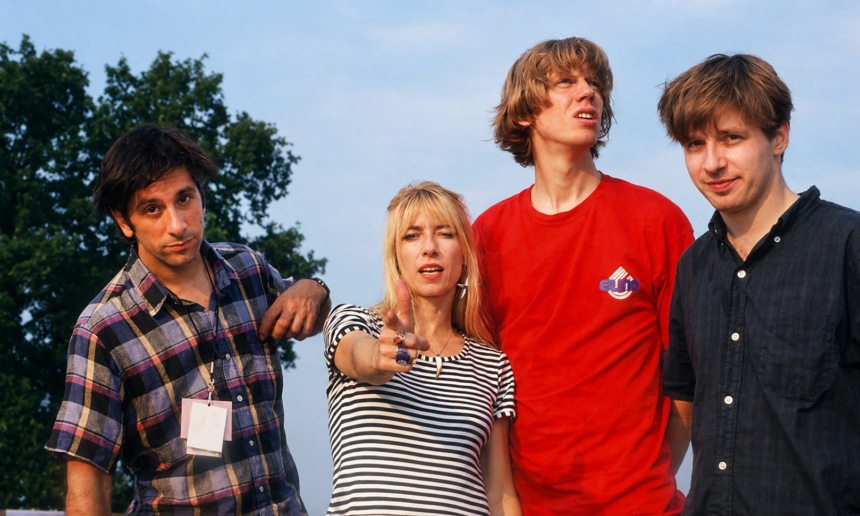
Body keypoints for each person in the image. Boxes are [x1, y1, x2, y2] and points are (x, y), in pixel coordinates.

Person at [44, 125, 331, 516]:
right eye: (152, 209)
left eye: (184, 198)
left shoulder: (248, 270)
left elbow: (311, 318)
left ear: (201, 196)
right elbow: (87, 480)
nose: (178, 224)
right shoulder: (102, 329)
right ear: (124, 221)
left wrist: (315, 289)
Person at [472, 37, 694, 515]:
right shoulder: (487, 234)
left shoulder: (657, 219)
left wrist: (649, 476)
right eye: (566, 82)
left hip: (642, 503)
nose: (588, 91)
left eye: (595, 83)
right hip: (528, 504)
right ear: (525, 111)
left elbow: (689, 374)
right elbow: (481, 383)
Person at [658, 54, 860, 515]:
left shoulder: (848, 244)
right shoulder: (693, 266)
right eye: (695, 144)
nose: (712, 163)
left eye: (731, 138)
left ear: (779, 137)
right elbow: (685, 402)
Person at [322, 181, 521, 515]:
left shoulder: (492, 364)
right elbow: (358, 356)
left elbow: (499, 489)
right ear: (395, 256)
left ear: (465, 254)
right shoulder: (355, 322)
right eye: (412, 236)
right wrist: (380, 357)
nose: (429, 247)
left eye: (445, 233)